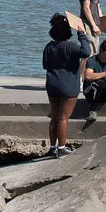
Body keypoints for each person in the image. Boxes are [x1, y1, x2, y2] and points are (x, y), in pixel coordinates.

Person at [40, 14, 86, 156]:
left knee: (54, 117)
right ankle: (61, 148)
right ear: (68, 32)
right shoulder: (71, 46)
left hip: (52, 84)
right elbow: (86, 52)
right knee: (63, 118)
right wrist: (82, 35)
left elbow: (45, 65)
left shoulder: (49, 46)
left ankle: (52, 147)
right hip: (68, 86)